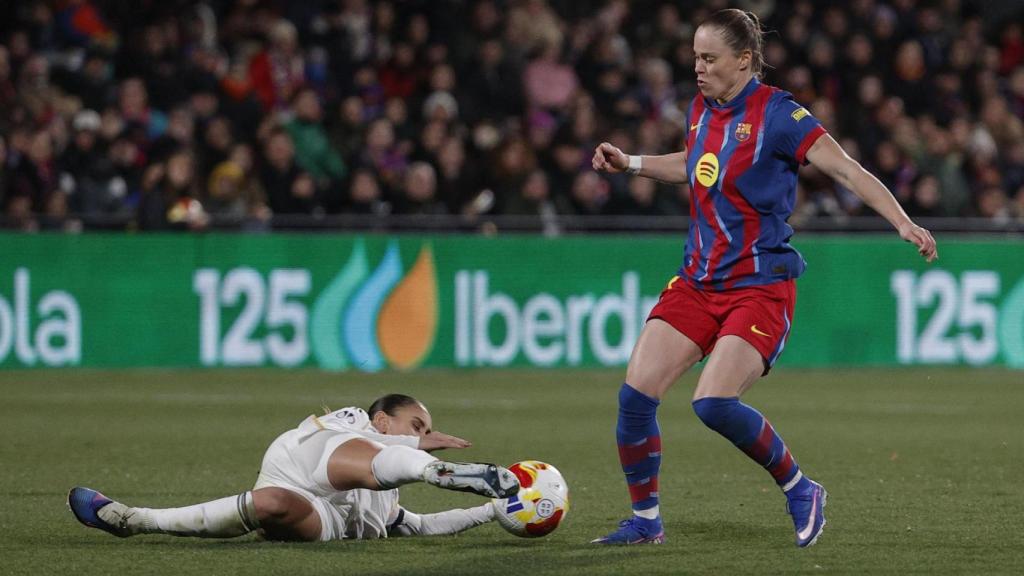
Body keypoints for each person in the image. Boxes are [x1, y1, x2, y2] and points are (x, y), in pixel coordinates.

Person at [590, 9, 937, 547]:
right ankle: (645, 521)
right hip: (698, 282)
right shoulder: (701, 108)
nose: (698, 69)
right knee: (635, 397)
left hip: (759, 286)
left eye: (709, 58)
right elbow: (694, 163)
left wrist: (903, 221)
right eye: (695, 58)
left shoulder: (778, 113)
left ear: (744, 60)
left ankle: (800, 488)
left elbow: (844, 167)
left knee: (712, 404)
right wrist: (631, 163)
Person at [68, 394, 519, 541]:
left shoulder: (386, 499)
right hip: (300, 466)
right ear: (384, 419)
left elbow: (419, 526)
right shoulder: (355, 419)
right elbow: (340, 447)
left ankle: (136, 521)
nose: (425, 433)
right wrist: (412, 447)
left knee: (275, 506)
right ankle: (133, 518)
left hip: (321, 512)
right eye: (416, 425)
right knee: (357, 456)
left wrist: (496, 510)